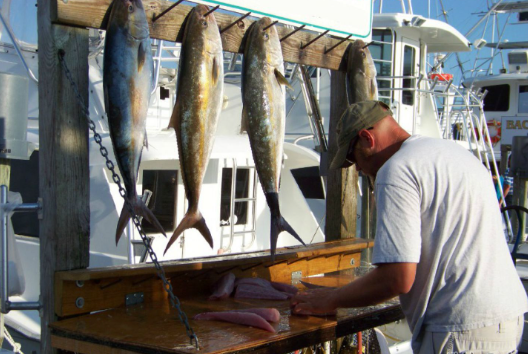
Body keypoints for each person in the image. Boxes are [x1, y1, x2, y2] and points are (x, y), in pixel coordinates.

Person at [290, 100, 528, 353]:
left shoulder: (396, 170)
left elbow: (397, 278)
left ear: (366, 138)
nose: (357, 168)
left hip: (458, 328)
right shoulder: (454, 153)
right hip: (508, 318)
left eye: (353, 156)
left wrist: (331, 299)